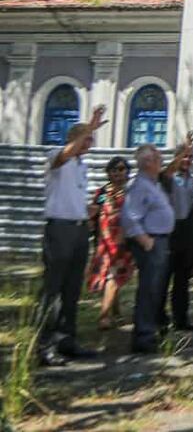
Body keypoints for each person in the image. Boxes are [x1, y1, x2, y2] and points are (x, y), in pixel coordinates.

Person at [37, 104, 109, 366]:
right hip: (59, 229)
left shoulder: (81, 166)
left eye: (91, 138)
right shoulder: (57, 156)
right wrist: (89, 124)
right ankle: (44, 345)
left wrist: (88, 210)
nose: (90, 142)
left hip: (78, 229)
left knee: (72, 289)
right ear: (74, 138)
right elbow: (63, 157)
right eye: (87, 137)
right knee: (52, 289)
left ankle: (67, 339)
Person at [121, 144, 178, 353]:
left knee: (156, 289)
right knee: (149, 289)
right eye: (158, 158)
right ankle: (143, 336)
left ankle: (150, 331)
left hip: (161, 241)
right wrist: (145, 240)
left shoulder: (154, 184)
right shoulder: (139, 186)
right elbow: (129, 217)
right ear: (148, 163)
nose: (161, 161)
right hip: (152, 242)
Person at [87, 156, 135, 331]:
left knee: (115, 277)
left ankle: (109, 313)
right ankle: (109, 313)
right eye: (114, 169)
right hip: (104, 242)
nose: (118, 173)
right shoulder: (102, 193)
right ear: (108, 172)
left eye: (122, 169)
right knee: (111, 277)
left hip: (124, 242)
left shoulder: (131, 193)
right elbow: (94, 211)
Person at [161, 131, 193, 331]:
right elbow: (166, 173)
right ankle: (159, 319)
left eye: (191, 157)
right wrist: (183, 149)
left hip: (185, 233)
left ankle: (181, 318)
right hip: (169, 232)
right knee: (163, 279)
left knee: (182, 280)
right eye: (185, 156)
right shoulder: (169, 177)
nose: (188, 160)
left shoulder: (192, 179)